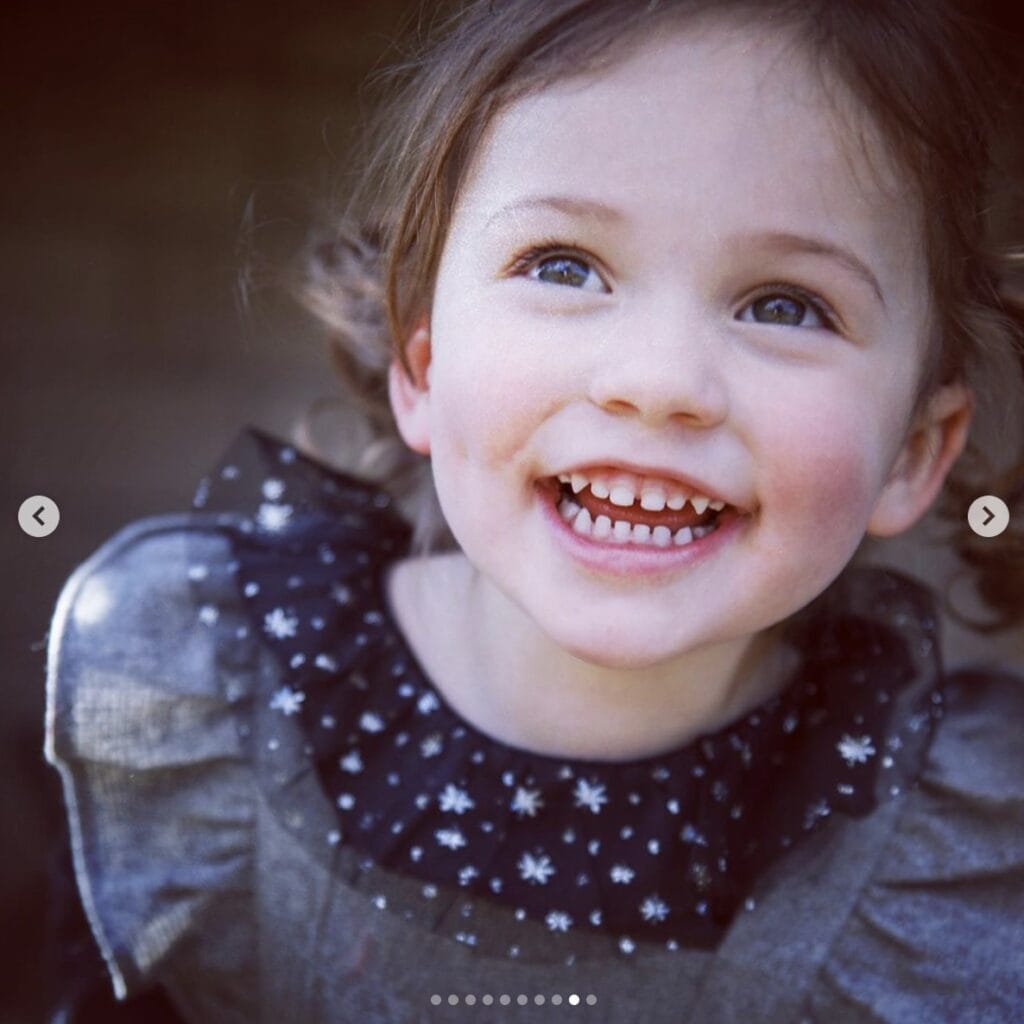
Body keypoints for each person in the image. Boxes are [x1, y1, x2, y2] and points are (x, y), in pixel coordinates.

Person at [44, 1, 1024, 1021]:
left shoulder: (947, 839)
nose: (657, 381)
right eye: (563, 266)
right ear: (422, 372)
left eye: (783, 305)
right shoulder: (210, 687)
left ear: (910, 453)